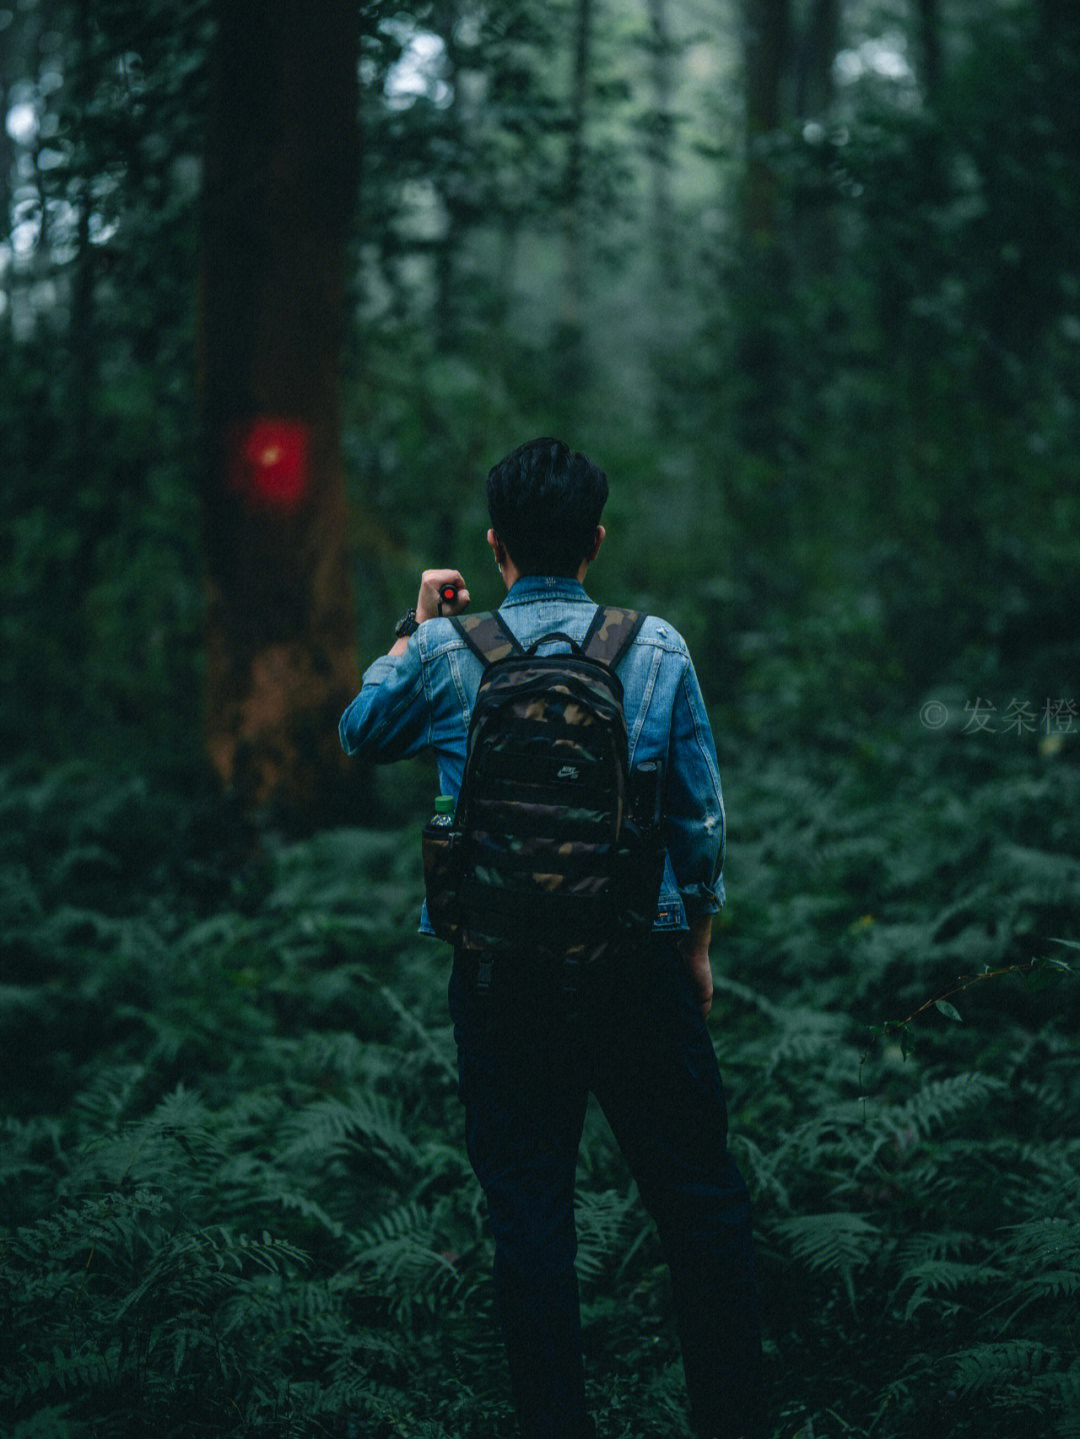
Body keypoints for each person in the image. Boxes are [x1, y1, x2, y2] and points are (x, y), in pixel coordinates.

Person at [339, 438, 765, 1439]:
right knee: (702, 1206)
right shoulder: (654, 647)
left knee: (530, 1221)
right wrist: (693, 943)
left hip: (500, 975)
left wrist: (413, 623)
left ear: (495, 547)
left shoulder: (453, 651)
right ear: (596, 540)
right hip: (636, 964)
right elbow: (699, 823)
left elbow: (360, 729)